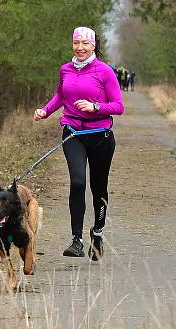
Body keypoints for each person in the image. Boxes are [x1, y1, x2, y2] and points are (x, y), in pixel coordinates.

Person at [33, 26, 124, 260]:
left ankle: (97, 233)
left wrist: (96, 107)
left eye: (85, 43)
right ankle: (77, 240)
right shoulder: (65, 69)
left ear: (93, 46)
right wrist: (46, 110)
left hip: (101, 136)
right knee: (77, 182)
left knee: (98, 188)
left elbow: (118, 106)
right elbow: (60, 97)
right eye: (76, 43)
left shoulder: (104, 71)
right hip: (73, 133)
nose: (80, 47)